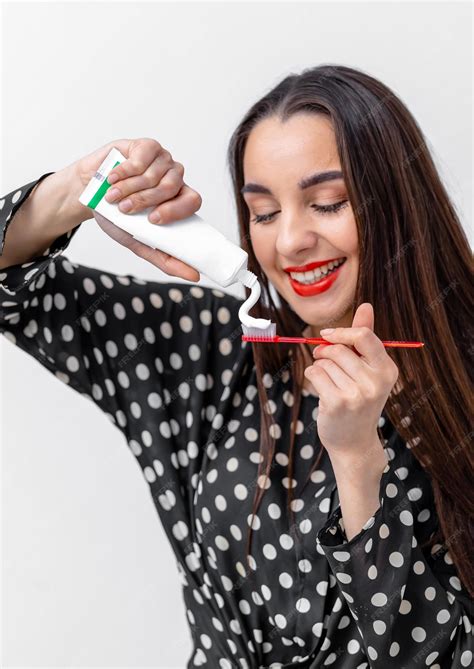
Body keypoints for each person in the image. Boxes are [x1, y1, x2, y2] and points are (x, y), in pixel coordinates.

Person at [0, 64, 472, 669]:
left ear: (397, 202)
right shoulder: (214, 349)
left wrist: (358, 465)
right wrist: (82, 188)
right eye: (265, 213)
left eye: (326, 203)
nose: (290, 241)